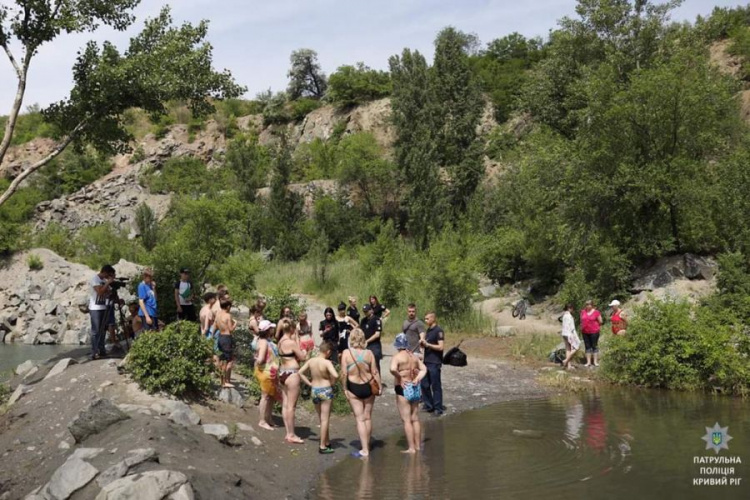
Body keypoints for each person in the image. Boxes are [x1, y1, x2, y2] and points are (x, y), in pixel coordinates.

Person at [341, 329, 381, 458]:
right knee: (367, 417)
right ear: (363, 339)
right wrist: (379, 387)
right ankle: (367, 445)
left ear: (351, 339)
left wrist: (345, 389)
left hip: (354, 386)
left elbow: (344, 374)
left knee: (360, 419)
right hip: (368, 386)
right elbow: (375, 372)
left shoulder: (346, 353)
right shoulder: (369, 353)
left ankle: (364, 449)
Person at [299, 342, 339, 454]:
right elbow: (336, 375)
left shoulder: (311, 361)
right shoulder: (327, 362)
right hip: (325, 390)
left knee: (321, 418)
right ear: (328, 352)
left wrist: (310, 383)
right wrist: (332, 382)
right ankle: (322, 446)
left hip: (315, 390)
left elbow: (300, 372)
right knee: (325, 418)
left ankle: (326, 441)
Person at [390, 333, 427, 453]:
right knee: (415, 418)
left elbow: (392, 369)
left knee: (406, 420)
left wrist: (399, 378)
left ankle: (411, 448)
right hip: (415, 387)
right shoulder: (413, 357)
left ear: (397, 344)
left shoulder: (397, 357)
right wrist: (418, 378)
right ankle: (417, 446)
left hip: (403, 388)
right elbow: (424, 369)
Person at [278, 318, 307, 444]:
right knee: (291, 406)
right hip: (292, 374)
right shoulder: (291, 342)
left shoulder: (280, 341)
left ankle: (288, 432)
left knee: (285, 404)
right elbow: (303, 357)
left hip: (282, 372)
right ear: (292, 329)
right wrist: (305, 349)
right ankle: (291, 434)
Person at [254, 319, 280, 431]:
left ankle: (268, 418)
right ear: (268, 330)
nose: (273, 329)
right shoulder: (264, 342)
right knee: (265, 397)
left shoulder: (263, 340)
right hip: (266, 372)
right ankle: (262, 420)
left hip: (270, 371)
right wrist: (257, 360)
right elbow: (260, 359)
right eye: (271, 328)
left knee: (271, 397)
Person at [89, 264, 116, 360]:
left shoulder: (104, 281)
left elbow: (108, 293)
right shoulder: (95, 279)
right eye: (108, 275)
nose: (108, 277)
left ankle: (102, 350)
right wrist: (108, 283)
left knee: (103, 331)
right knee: (95, 331)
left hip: (104, 307)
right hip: (95, 308)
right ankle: (94, 352)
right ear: (104, 272)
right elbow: (99, 292)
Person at [420, 311, 445, 416]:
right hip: (426, 361)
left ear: (433, 319)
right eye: (425, 319)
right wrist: (422, 344)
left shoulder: (439, 331)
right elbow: (426, 345)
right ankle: (429, 405)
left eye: (427, 319)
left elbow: (441, 347)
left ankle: (438, 408)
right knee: (424, 384)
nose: (426, 321)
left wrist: (428, 345)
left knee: (436, 385)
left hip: (435, 362)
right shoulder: (428, 330)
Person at [215, 298, 238, 388]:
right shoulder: (228, 316)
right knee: (229, 360)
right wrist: (235, 323)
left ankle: (223, 381)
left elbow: (216, 325)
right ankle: (225, 382)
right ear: (228, 306)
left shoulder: (218, 314)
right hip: (226, 338)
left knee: (222, 359)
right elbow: (231, 329)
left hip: (220, 337)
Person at [361, 304, 383, 378]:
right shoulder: (363, 321)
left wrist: (367, 341)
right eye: (364, 311)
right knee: (363, 363)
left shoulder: (376, 320)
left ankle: (377, 381)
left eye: (367, 311)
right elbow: (361, 332)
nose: (365, 313)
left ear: (371, 310)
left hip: (374, 345)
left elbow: (377, 334)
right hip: (364, 345)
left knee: (375, 363)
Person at [581, 300, 603, 367]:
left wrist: (596, 326)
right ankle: (588, 362)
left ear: (592, 305)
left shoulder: (596, 312)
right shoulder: (583, 312)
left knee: (594, 346)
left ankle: (595, 362)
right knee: (587, 346)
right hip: (585, 332)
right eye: (586, 304)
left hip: (594, 332)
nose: (587, 305)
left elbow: (601, 321)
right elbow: (581, 320)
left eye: (589, 304)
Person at [560, 303, 581, 370]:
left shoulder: (564, 315)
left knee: (568, 349)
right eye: (572, 309)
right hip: (569, 334)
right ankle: (566, 360)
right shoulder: (569, 316)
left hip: (564, 333)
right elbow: (572, 327)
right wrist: (575, 336)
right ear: (570, 308)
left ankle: (568, 366)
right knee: (577, 346)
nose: (572, 310)